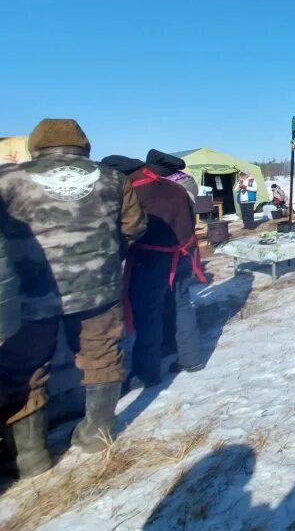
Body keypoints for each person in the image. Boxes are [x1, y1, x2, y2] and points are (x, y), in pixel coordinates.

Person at [0, 119, 147, 478]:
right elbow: (135, 227)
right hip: (100, 288)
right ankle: (96, 436)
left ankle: (30, 457)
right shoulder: (113, 179)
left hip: (30, 294)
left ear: (37, 145)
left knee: (24, 371)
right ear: (84, 145)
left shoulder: (8, 179)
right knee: (102, 357)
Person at [101, 156, 206, 388]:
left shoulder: (133, 193)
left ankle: (146, 373)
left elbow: (129, 229)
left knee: (148, 313)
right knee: (181, 303)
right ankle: (191, 359)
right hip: (184, 253)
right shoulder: (173, 187)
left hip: (152, 258)